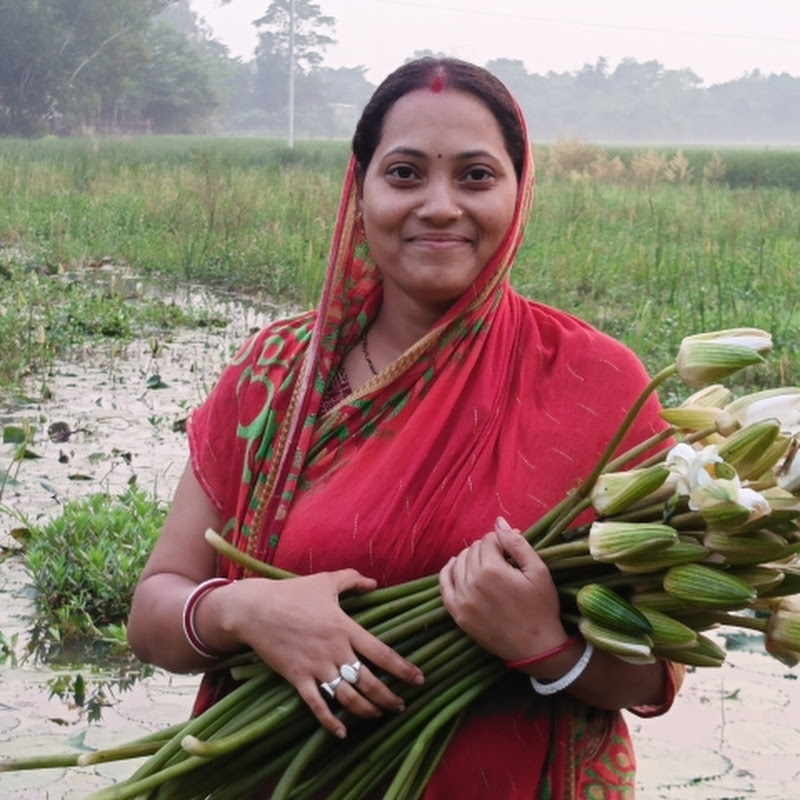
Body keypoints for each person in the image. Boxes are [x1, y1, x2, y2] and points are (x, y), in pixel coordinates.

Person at [127, 57, 683, 798]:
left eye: (477, 176)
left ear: (519, 192)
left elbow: (658, 667)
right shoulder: (278, 375)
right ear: (361, 192)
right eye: (406, 173)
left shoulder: (596, 383)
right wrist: (244, 609)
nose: (441, 205)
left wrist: (546, 647)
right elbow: (155, 611)